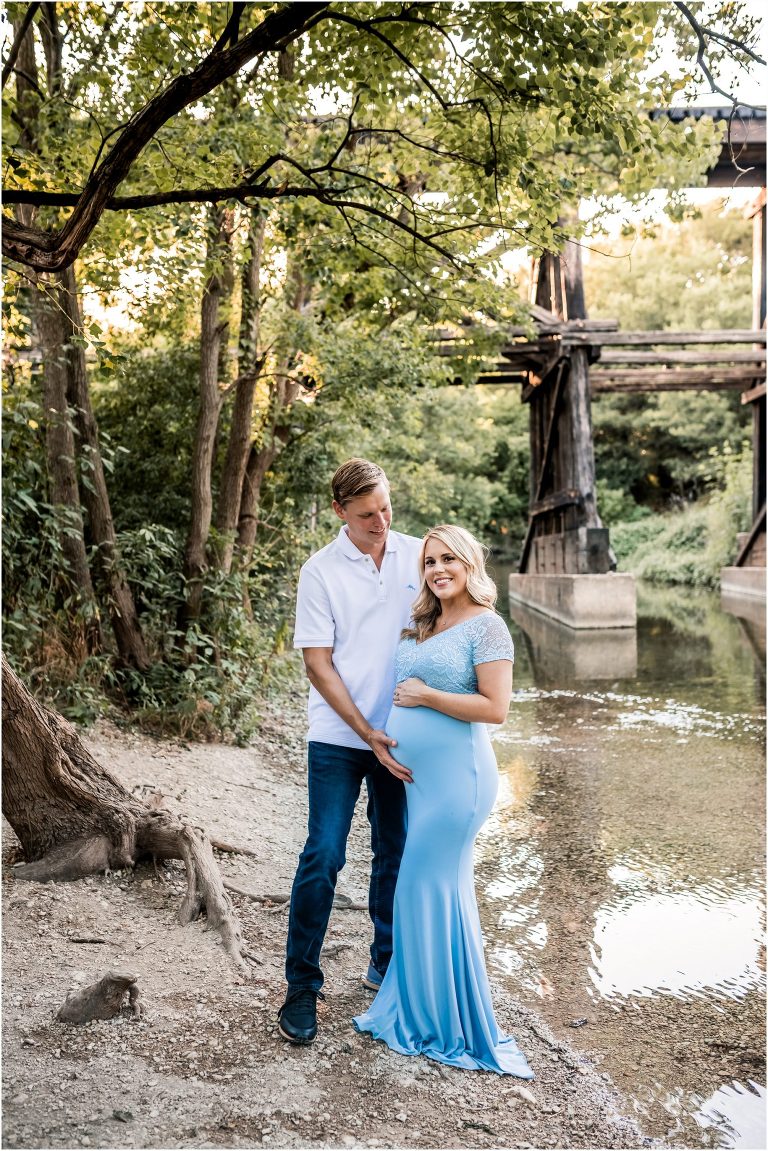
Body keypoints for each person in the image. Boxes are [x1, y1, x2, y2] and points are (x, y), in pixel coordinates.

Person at [352, 524, 534, 1078]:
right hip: (420, 783)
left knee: (420, 887)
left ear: (470, 563)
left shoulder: (489, 627)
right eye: (430, 561)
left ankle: (437, 1019)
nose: (438, 569)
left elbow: (495, 708)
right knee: (435, 892)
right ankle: (428, 1004)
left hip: (460, 782)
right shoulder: (423, 621)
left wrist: (428, 696)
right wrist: (385, 746)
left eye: (449, 559)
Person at [278, 459, 422, 1045]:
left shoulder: (420, 553)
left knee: (396, 850)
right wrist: (368, 733)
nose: (381, 522)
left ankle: (384, 963)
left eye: (387, 509)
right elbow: (318, 664)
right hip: (341, 737)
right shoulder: (319, 572)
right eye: (366, 516)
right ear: (341, 512)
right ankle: (301, 987)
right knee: (324, 854)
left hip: (407, 732)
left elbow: (459, 618)